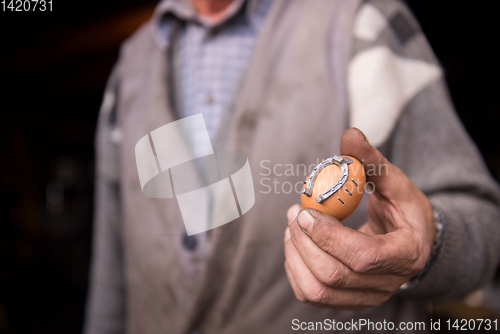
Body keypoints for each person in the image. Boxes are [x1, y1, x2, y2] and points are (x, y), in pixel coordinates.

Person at [84, 0, 500, 333]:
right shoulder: (130, 67)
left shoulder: (360, 22)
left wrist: (430, 245)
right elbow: (112, 267)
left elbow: (485, 220)